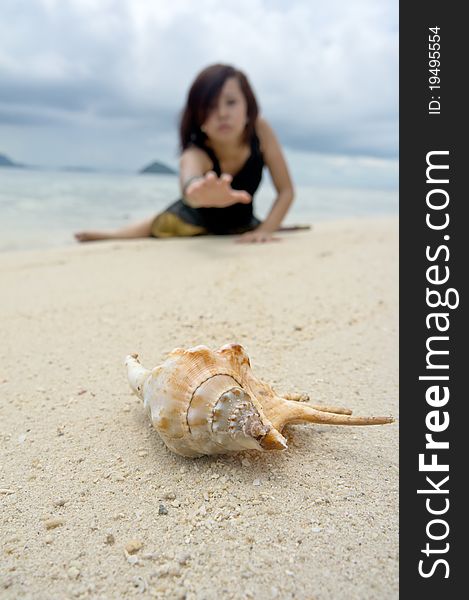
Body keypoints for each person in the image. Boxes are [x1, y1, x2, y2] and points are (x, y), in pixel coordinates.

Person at [75, 63, 302, 244]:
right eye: (210, 106)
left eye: (231, 102)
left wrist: (265, 230)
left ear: (248, 106)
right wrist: (199, 193)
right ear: (197, 116)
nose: (222, 113)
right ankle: (114, 234)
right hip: (189, 220)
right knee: (162, 222)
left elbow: (286, 191)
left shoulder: (261, 131)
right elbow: (190, 183)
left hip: (241, 223)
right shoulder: (196, 153)